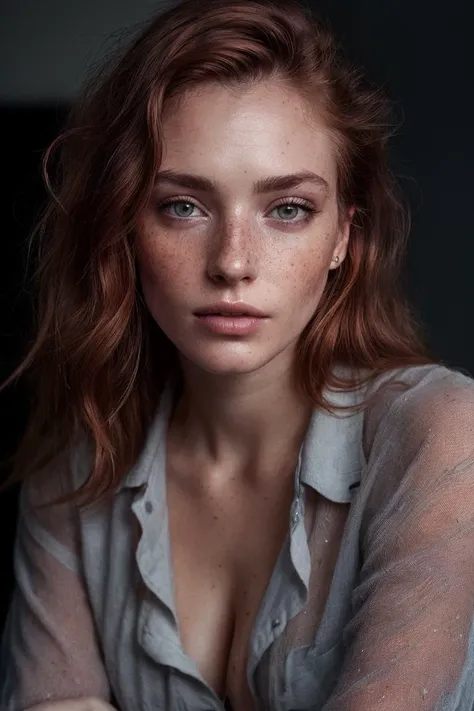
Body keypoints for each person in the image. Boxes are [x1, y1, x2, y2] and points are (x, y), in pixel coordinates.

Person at [1, 0, 474, 709]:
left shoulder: (442, 434)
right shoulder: (77, 466)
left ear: (344, 236)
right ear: (124, 225)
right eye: (183, 206)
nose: (232, 262)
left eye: (287, 209)